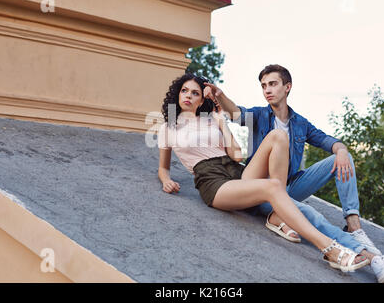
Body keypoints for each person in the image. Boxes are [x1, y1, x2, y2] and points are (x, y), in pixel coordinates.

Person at [203, 64, 384, 283]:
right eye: (264, 86)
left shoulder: (300, 123)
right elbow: (236, 114)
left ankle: (354, 226)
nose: (267, 90)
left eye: (273, 84)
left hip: (289, 185)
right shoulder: (259, 115)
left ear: (287, 87)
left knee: (341, 157)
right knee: (312, 214)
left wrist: (341, 149)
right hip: (261, 189)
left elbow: (328, 141)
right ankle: (370, 256)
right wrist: (221, 96)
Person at [157, 73, 371, 274]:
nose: (188, 96)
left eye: (195, 93)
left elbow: (238, 155)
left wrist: (223, 125)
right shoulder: (168, 127)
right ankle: (329, 249)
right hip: (213, 183)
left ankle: (278, 213)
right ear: (177, 93)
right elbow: (163, 167)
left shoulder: (212, 120)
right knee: (273, 187)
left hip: (237, 172)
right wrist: (166, 180)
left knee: (278, 135)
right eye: (185, 90)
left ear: (201, 99)